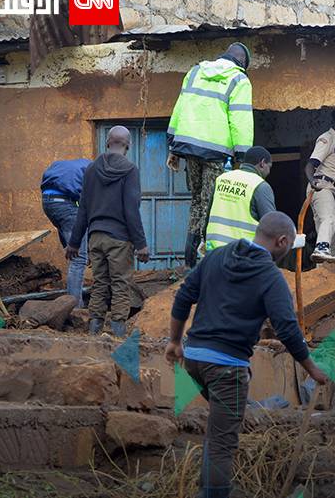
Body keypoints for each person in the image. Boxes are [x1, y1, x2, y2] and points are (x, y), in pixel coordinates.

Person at [165, 211, 329, 498]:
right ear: (281, 241)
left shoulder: (216, 257)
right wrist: (312, 368)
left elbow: (183, 296)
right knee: (222, 443)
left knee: (217, 432)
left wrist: (175, 341)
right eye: (289, 246)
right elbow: (287, 329)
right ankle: (214, 494)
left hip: (194, 360)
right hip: (226, 368)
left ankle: (210, 490)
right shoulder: (270, 277)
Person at [166, 42, 254, 268]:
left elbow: (179, 108)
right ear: (243, 64)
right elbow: (240, 120)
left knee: (196, 200)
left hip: (187, 146)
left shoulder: (195, 72)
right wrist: (242, 157)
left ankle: (189, 262)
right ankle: (206, 262)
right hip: (215, 151)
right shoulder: (239, 79)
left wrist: (172, 146)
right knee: (212, 204)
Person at [67, 126, 149, 337]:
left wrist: (74, 242)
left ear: (107, 143)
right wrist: (141, 244)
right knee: (121, 284)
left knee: (100, 283)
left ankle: (94, 330)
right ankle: (118, 333)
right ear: (128, 146)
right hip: (120, 239)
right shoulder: (130, 170)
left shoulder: (92, 169)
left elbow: (83, 207)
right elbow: (131, 210)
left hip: (95, 237)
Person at [39, 157, 91, 307]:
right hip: (63, 204)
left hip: (48, 202)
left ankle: (72, 299)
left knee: (73, 249)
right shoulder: (95, 173)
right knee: (79, 259)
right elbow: (90, 210)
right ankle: (75, 307)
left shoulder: (80, 166)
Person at [305, 106, 335, 263]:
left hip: (332, 188)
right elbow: (310, 165)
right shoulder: (327, 138)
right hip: (322, 185)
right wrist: (313, 181)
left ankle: (325, 276)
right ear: (333, 123)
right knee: (330, 219)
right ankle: (321, 247)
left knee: (331, 244)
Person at [205, 146, 275, 252]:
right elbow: (271, 225)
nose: (269, 172)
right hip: (243, 255)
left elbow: (208, 215)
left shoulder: (222, 179)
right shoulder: (260, 185)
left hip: (214, 251)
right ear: (262, 163)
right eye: (269, 167)